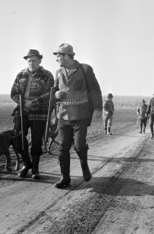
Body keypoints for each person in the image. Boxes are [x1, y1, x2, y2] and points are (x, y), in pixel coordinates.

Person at [53, 43, 102, 188]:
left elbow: (95, 89)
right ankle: (65, 178)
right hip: (63, 116)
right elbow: (55, 91)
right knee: (63, 147)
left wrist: (98, 107)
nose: (57, 59)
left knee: (79, 145)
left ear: (66, 56)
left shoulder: (85, 69)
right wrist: (56, 94)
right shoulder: (58, 72)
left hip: (81, 115)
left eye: (58, 56)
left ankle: (84, 166)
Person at [11, 49, 54, 179]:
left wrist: (34, 102)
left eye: (34, 60)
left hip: (39, 112)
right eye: (29, 60)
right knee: (17, 137)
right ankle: (27, 164)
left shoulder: (47, 75)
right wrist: (24, 103)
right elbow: (14, 93)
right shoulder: (21, 75)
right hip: (23, 111)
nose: (31, 63)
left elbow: (50, 94)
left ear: (39, 61)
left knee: (36, 140)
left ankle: (35, 168)